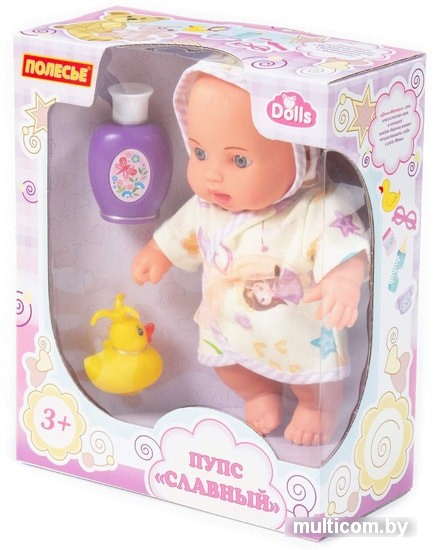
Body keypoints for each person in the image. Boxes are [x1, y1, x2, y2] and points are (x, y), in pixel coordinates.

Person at [131, 62, 369, 446]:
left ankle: (316, 408)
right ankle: (259, 392)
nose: (212, 174)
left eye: (239, 160)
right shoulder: (206, 207)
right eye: (200, 152)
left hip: (299, 329)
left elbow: (345, 243)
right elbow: (180, 234)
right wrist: (159, 251)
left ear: (300, 158)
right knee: (228, 366)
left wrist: (345, 277)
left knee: (314, 378)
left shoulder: (315, 208)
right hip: (229, 325)